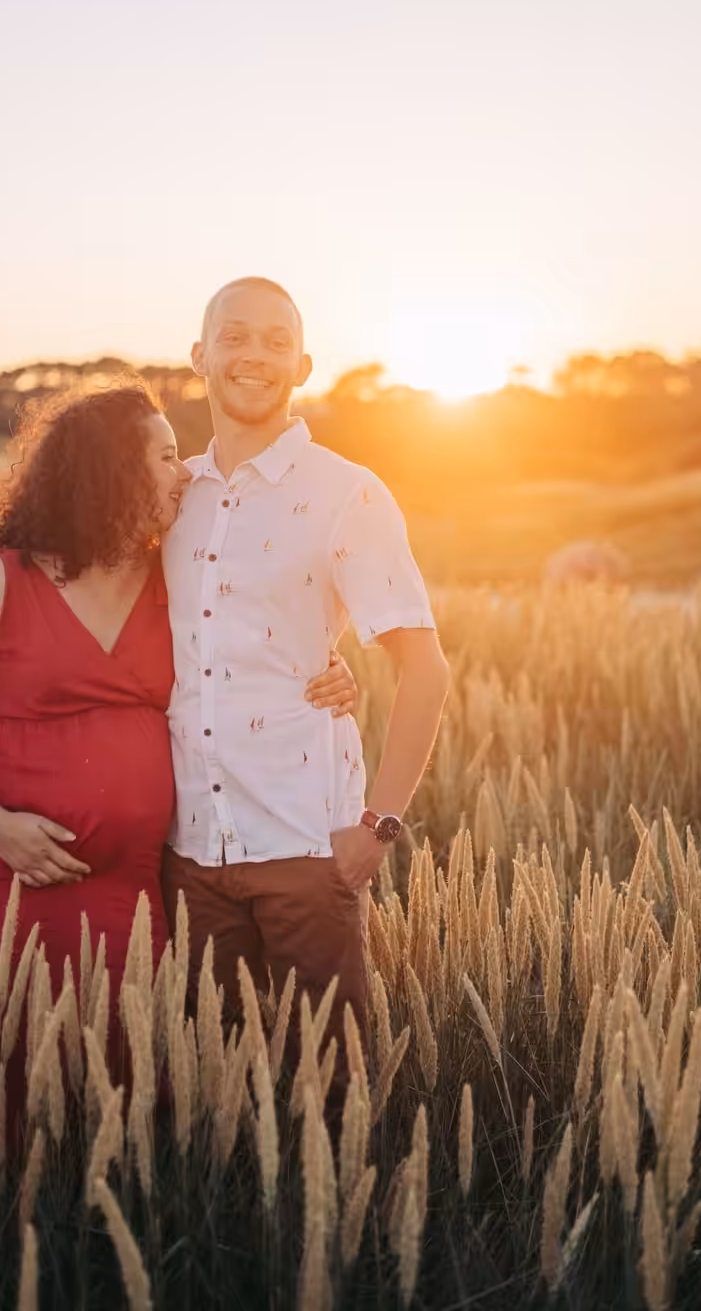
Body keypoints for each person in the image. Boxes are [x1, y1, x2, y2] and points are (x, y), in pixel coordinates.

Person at [0, 380, 356, 1109]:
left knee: (106, 1102)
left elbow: (261, 660)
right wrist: (0, 830)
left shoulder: (175, 584)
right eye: (166, 456)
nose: (186, 470)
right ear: (110, 471)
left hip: (128, 898)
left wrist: (329, 674)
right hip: (1, 881)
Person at [160, 278, 451, 1063]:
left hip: (303, 845)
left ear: (303, 365)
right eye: (234, 337)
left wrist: (378, 827)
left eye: (276, 342)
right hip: (188, 855)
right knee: (214, 1096)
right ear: (200, 356)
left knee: (332, 1098)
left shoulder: (346, 493)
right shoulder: (168, 494)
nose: (254, 355)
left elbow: (425, 670)